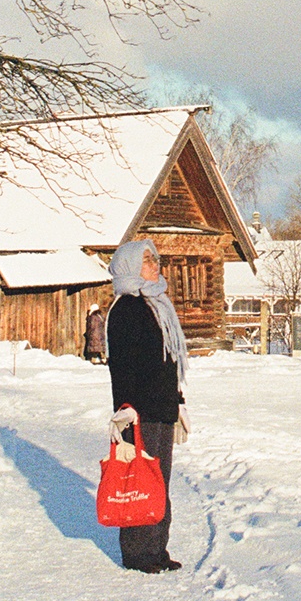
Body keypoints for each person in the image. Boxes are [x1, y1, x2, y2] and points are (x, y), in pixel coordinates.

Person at [104, 239, 190, 574]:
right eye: (147, 260)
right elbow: (123, 365)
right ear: (130, 267)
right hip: (138, 412)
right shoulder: (127, 308)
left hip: (162, 408)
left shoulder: (157, 304)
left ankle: (157, 548)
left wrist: (177, 401)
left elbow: (167, 360)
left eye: (155, 259)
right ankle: (137, 552)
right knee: (138, 480)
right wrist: (126, 408)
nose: (156, 265)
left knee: (159, 481)